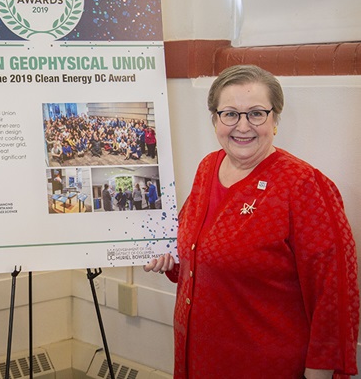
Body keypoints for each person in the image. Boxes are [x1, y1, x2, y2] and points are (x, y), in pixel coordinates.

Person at [144, 64, 359, 378]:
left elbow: (335, 291)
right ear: (215, 120)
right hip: (199, 357)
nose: (242, 126)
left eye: (256, 113)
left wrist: (321, 371)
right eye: (230, 113)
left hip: (264, 365)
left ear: (275, 120)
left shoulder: (303, 185)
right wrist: (170, 257)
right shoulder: (208, 167)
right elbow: (193, 245)